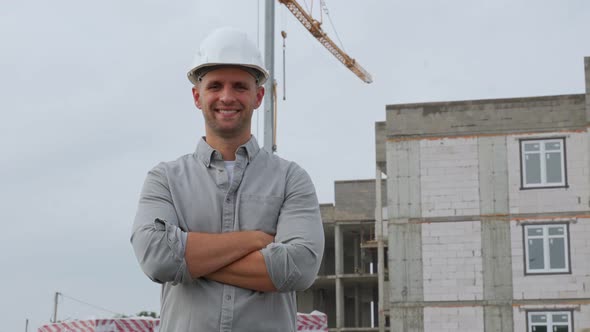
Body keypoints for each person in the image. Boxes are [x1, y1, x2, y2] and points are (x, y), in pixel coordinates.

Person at [130, 27, 325, 332]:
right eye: (215, 86)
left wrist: (189, 260)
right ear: (197, 96)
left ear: (259, 96)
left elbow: (299, 268)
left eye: (239, 86)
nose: (226, 97)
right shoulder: (165, 179)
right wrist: (254, 241)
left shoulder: (291, 179)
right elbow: (157, 258)